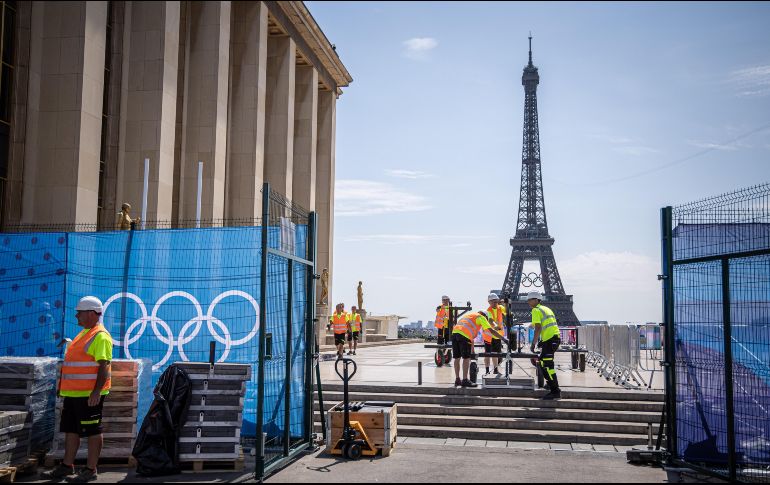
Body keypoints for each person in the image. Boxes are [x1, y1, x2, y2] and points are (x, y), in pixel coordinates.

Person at [40, 296, 112, 483]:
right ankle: (67, 466)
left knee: (93, 431)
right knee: (71, 429)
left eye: (79, 313)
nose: (76, 316)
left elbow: (104, 365)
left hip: (89, 395)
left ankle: (90, 469)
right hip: (73, 393)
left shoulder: (100, 336)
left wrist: (96, 392)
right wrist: (62, 387)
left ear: (90, 313)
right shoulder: (83, 334)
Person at [452, 310, 508, 387]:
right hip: (464, 336)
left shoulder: (469, 316)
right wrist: (504, 339)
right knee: (466, 358)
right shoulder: (481, 317)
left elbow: (470, 336)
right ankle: (465, 380)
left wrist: (472, 351)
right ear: (485, 316)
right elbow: (491, 330)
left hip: (454, 334)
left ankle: (457, 379)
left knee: (457, 358)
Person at [527, 291, 562, 399]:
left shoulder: (536, 310)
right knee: (544, 363)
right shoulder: (546, 309)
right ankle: (551, 384)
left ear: (536, 300)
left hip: (550, 340)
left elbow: (538, 328)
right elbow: (545, 325)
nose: (528, 302)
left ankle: (555, 391)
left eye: (530, 299)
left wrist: (533, 343)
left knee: (546, 365)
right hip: (553, 339)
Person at [482, 293, 506, 375]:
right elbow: (491, 320)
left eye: (496, 302)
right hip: (489, 336)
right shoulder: (488, 311)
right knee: (487, 354)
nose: (495, 303)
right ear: (489, 302)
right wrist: (495, 326)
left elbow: (507, 312)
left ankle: (495, 370)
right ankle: (487, 370)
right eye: (493, 302)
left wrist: (506, 304)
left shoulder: (500, 308)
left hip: (498, 335)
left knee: (495, 353)